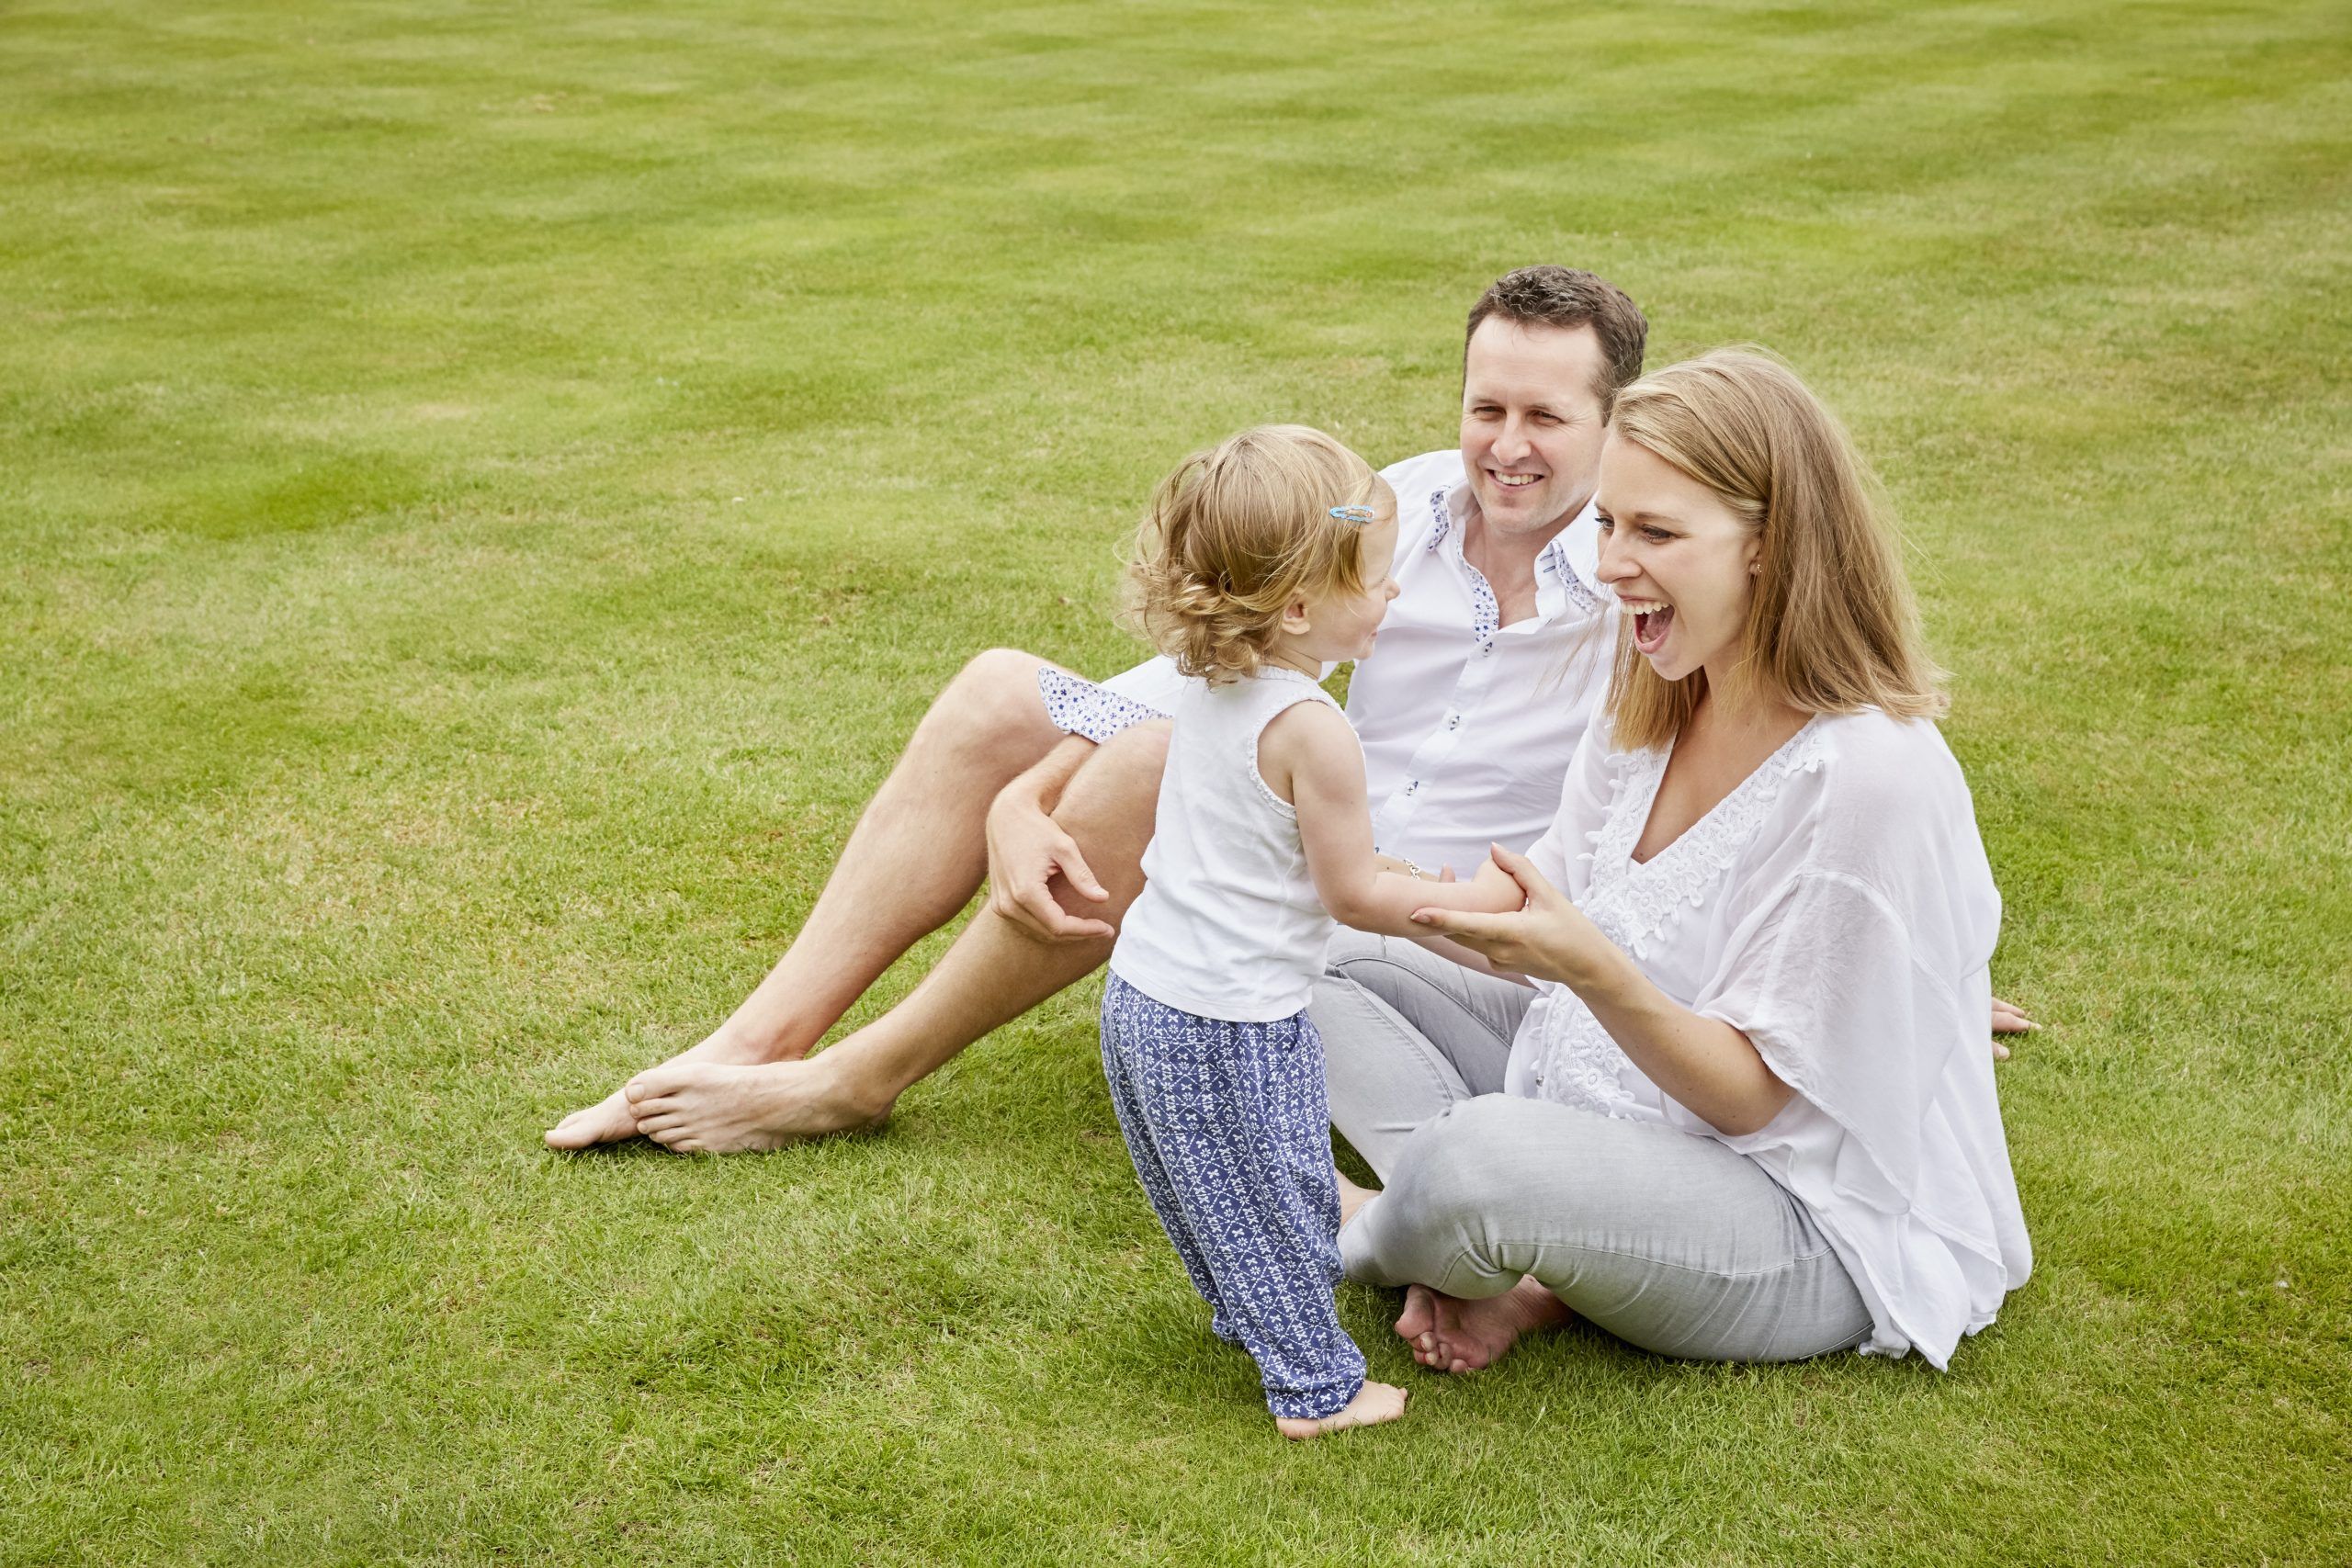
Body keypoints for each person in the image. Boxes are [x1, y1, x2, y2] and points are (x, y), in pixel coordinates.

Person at [544, 267, 2030, 1154]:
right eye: (1485, 405)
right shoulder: (1395, 509)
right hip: (1302, 802)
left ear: (1615, 424)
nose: (1504, 447)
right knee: (1007, 693)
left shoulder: (1654, 586)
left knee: (1138, 781)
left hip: (1411, 905)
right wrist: (1019, 790)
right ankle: (760, 1035)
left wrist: (1917, 981)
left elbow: (1800, 774)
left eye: (1545, 419)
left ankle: (859, 1081)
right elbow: (1216, 662)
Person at [1320, 349, 2033, 1376]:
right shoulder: (1658, 686)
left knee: (1478, 1162)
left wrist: (1589, 965)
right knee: (1319, 952)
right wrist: (1337, 883)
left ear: (1770, 548)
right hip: (1594, 1094)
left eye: (1655, 532)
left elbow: (1750, 1100)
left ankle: (1377, 1226)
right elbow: (1529, 905)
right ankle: (1514, 1234)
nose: (1609, 564)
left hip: (1786, 1217)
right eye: (1607, 522)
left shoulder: (1868, 776)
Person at [1098, 424, 1521, 1438]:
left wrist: (1409, 872)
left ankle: (1245, 1320)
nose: (1394, 597)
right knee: (1283, 1197)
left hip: (1144, 991)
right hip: (1230, 1019)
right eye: (1376, 578)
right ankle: (1316, 1390)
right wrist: (1473, 912)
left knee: (1204, 1188)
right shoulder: (1311, 730)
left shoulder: (1210, 677)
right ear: (1296, 606)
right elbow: (1352, 895)